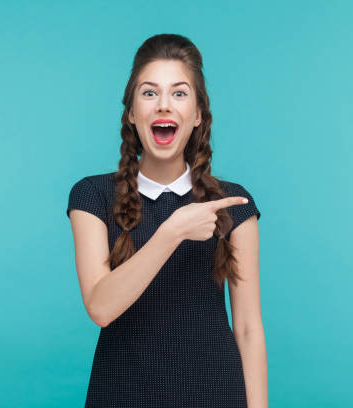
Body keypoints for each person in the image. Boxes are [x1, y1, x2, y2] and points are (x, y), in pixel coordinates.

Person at [66, 33, 267, 407]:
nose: (164, 106)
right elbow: (100, 307)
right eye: (149, 93)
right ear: (131, 112)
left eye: (179, 93)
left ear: (198, 115)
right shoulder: (91, 197)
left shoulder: (232, 204)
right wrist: (171, 232)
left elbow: (248, 329)